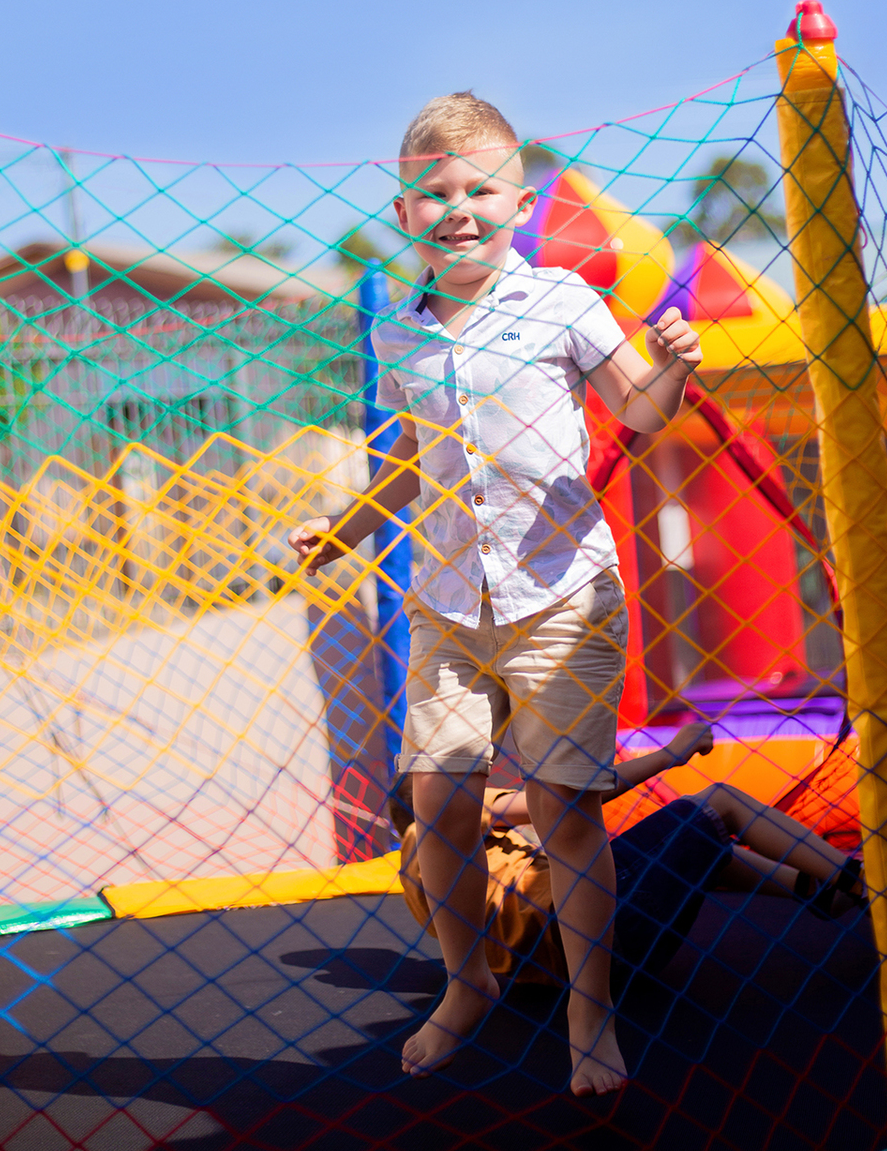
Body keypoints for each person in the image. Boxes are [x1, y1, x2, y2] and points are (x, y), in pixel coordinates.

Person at [288, 91, 702, 1097]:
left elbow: (637, 411)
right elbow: (404, 467)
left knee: (564, 809)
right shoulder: (401, 334)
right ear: (405, 213)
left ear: (517, 201)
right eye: (436, 194)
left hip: (563, 595)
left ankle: (589, 1020)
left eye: (479, 189)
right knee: (439, 803)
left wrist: (674, 372)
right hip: (447, 601)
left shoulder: (564, 302)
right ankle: (467, 980)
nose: (459, 208)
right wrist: (340, 531)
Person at [393, 721, 867, 1001]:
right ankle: (859, 878)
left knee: (702, 848)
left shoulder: (414, 876)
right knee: (719, 803)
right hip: (594, 931)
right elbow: (571, 802)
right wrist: (669, 755)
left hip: (589, 969)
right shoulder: (436, 820)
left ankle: (818, 892)